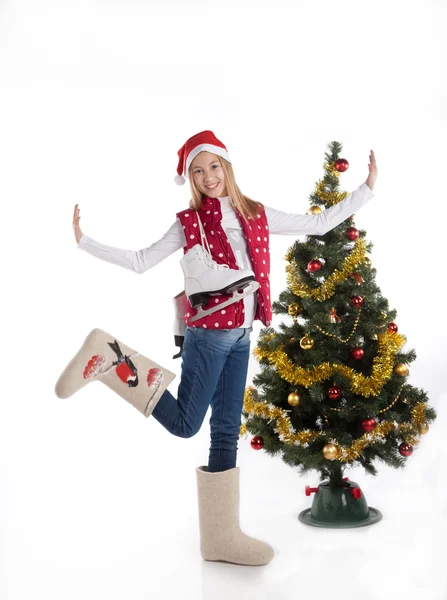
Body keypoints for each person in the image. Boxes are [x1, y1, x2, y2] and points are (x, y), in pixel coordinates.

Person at [55, 130, 378, 566]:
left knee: (226, 431)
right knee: (188, 425)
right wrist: (83, 241)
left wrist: (366, 190)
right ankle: (112, 359)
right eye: (198, 170)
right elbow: (140, 261)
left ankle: (221, 539)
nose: (208, 177)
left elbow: (316, 223)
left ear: (226, 167)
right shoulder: (188, 223)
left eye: (214, 166)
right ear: (190, 177)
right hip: (207, 335)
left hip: (243, 335)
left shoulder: (257, 213)